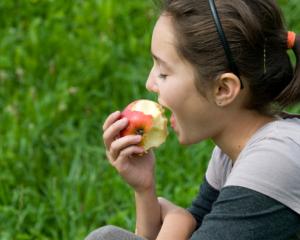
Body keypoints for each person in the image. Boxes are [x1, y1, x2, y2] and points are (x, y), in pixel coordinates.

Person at [86, 0, 300, 239]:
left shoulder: (273, 161)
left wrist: (179, 219)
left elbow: (185, 231)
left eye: (164, 73)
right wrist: (145, 190)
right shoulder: (231, 155)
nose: (150, 83)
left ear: (223, 89)